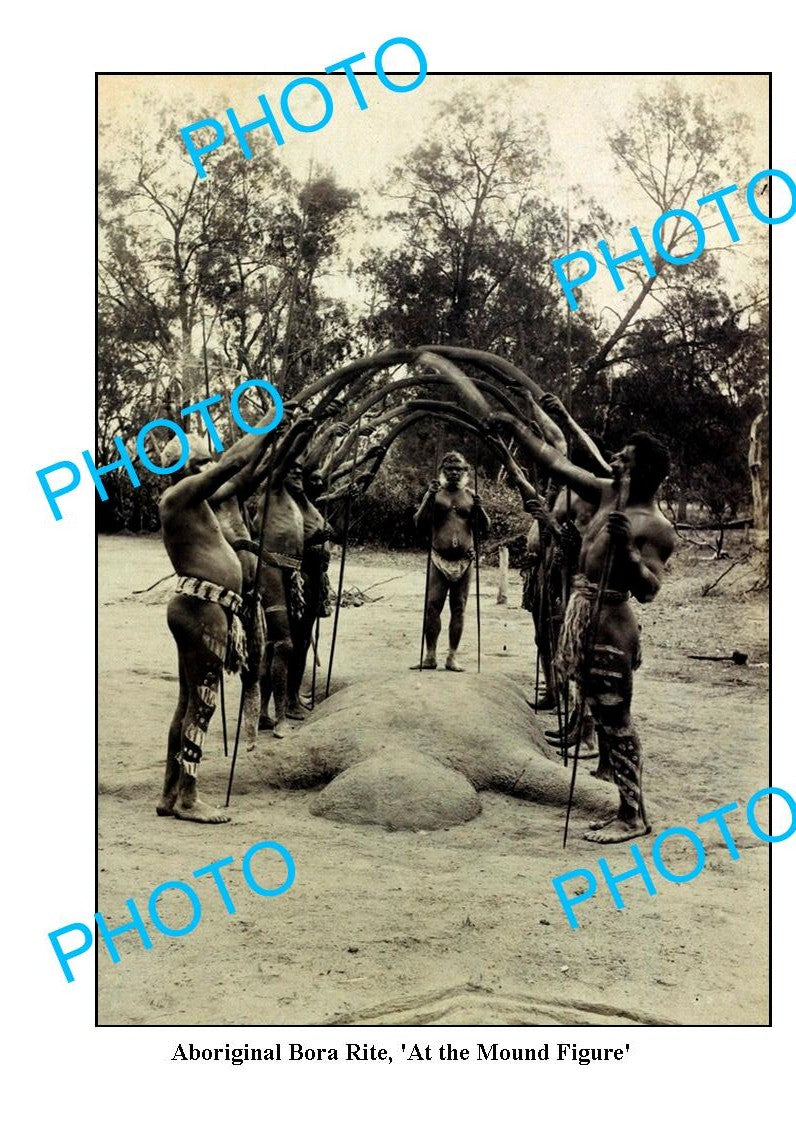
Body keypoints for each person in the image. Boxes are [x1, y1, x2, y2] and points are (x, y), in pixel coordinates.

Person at [486, 414, 675, 843]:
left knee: (616, 718)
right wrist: (515, 428)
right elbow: (556, 464)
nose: (615, 461)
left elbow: (648, 590)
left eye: (624, 459)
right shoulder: (607, 492)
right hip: (583, 614)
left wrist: (627, 551)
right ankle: (626, 808)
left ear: (642, 471)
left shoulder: (656, 526)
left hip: (611, 622)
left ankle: (632, 815)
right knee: (601, 712)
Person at [157, 430, 271, 823]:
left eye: (208, 461)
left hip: (202, 607)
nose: (209, 467)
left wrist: (282, 431)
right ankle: (188, 798)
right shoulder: (180, 495)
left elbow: (238, 471)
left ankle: (170, 793)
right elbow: (233, 464)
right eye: (201, 462)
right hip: (200, 610)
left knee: (188, 702)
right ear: (183, 469)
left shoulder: (193, 498)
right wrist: (271, 423)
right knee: (202, 704)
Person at [413, 450, 491, 672]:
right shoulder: (435, 494)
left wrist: (480, 508)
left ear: (466, 472)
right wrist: (428, 497)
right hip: (439, 558)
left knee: (459, 607)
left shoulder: (470, 496)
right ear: (442, 471)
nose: (454, 473)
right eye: (450, 469)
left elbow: (485, 528)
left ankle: (452, 656)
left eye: (459, 469)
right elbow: (419, 523)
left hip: (465, 560)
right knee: (432, 606)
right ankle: (429, 655)